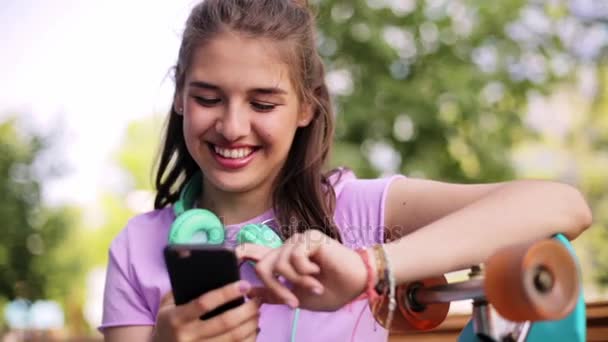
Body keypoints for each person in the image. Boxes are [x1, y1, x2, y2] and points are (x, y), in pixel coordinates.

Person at [99, 0, 593, 341]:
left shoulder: (355, 210)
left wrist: (367, 267)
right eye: (208, 98)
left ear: (305, 109)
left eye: (264, 103)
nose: (232, 127)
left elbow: (562, 206)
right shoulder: (135, 247)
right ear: (181, 95)